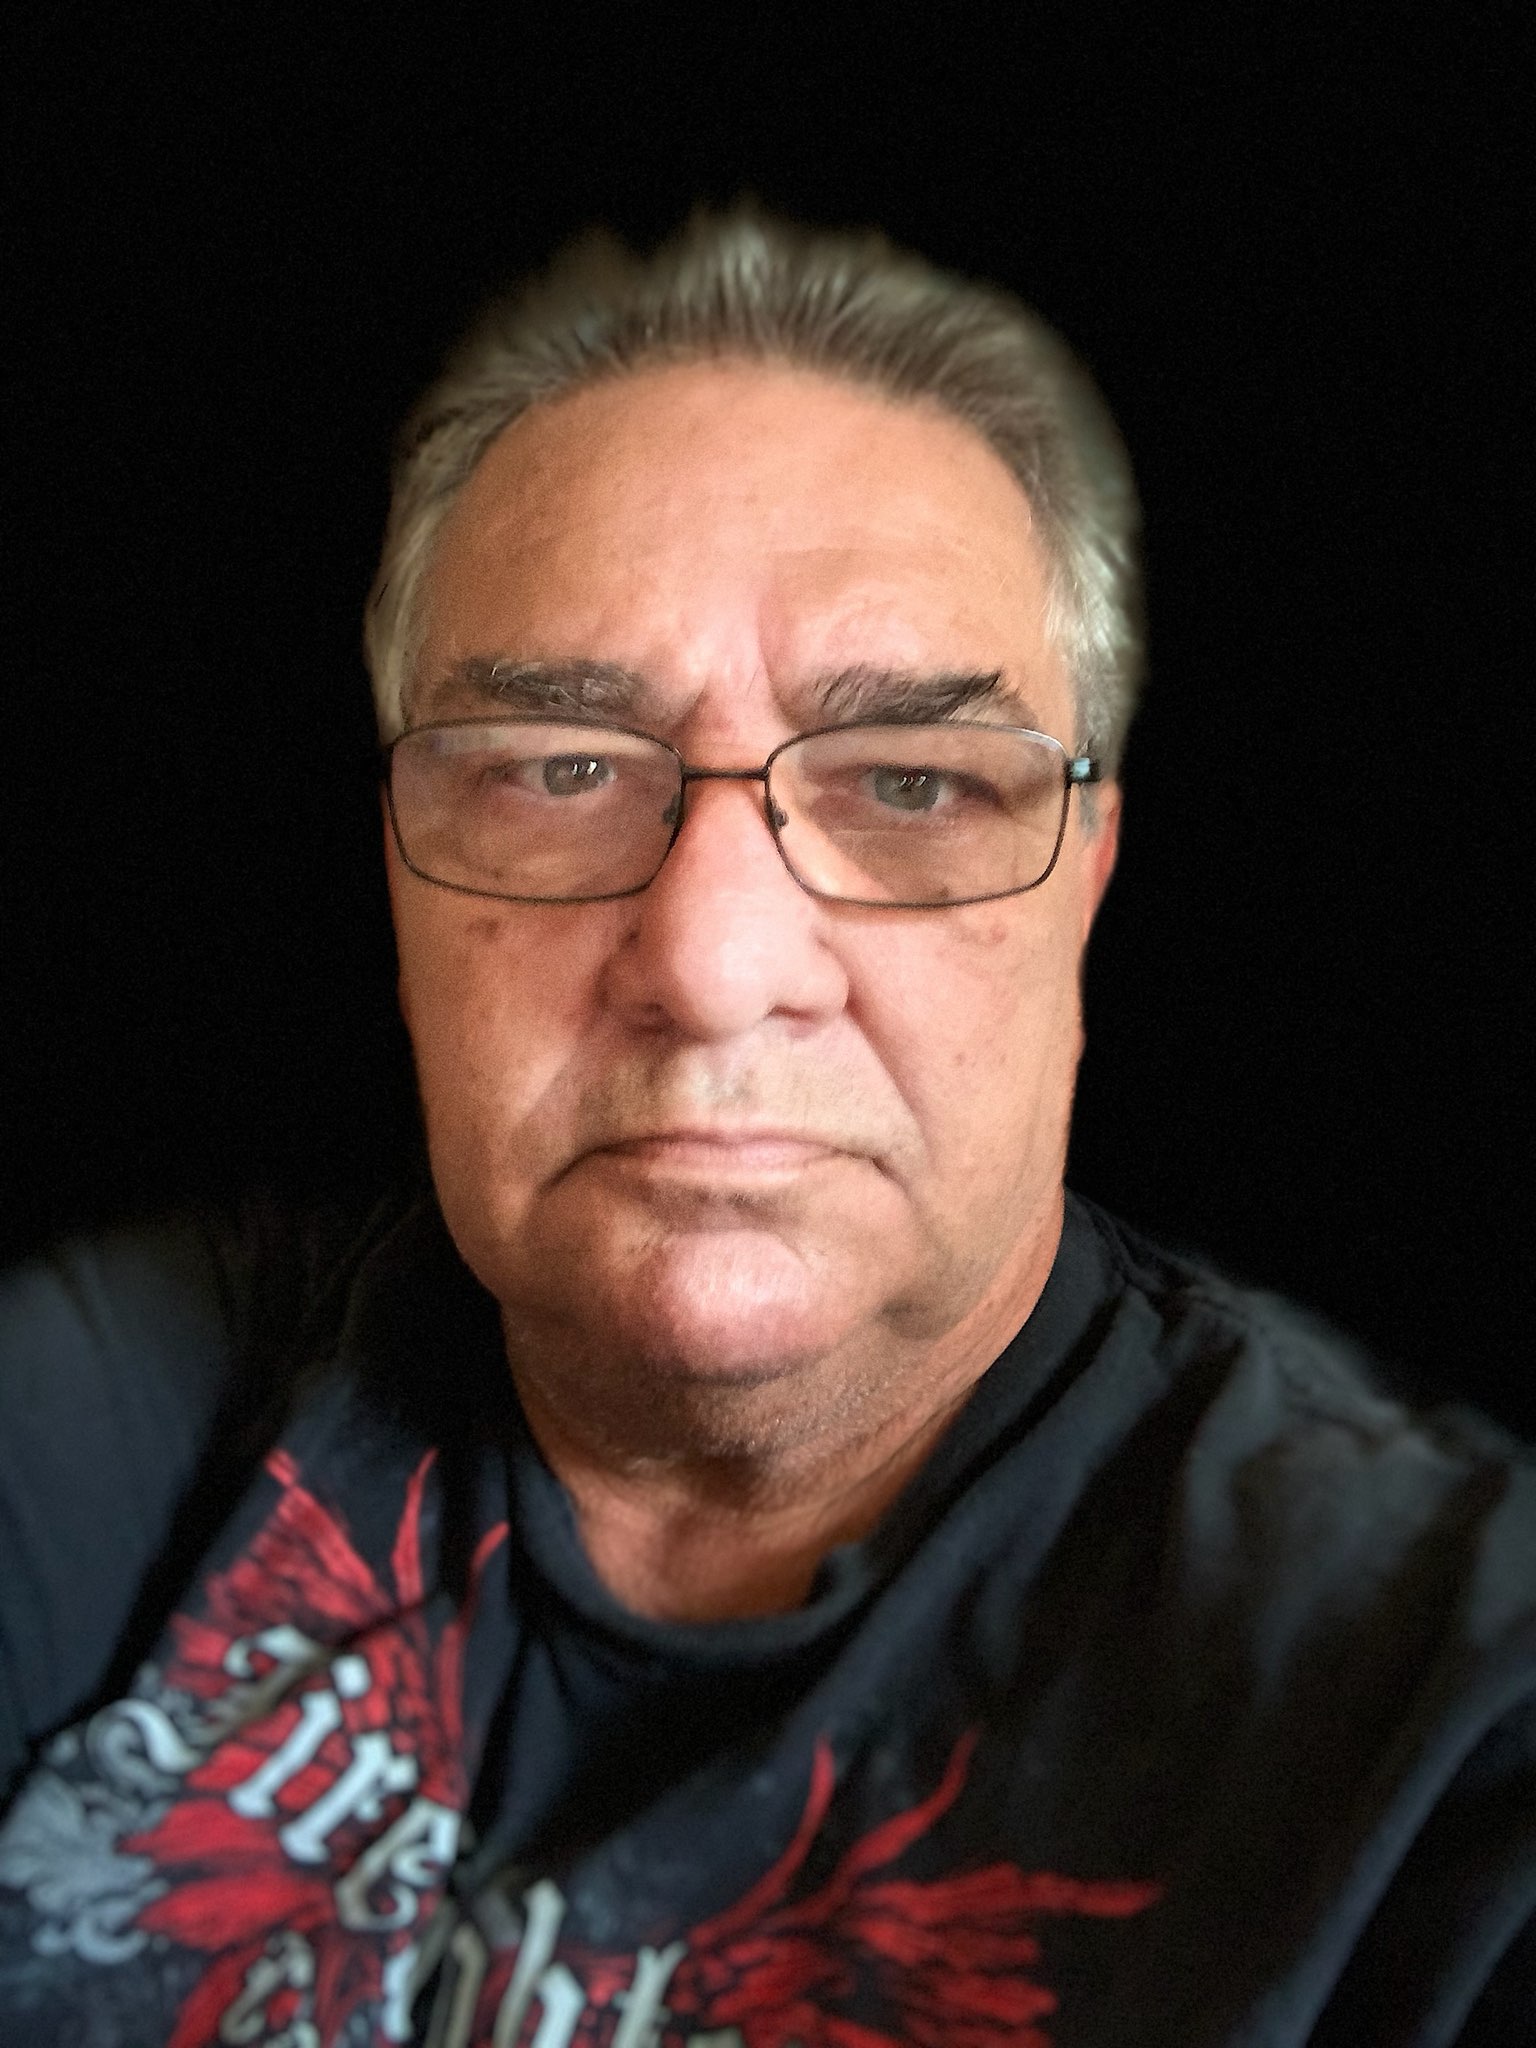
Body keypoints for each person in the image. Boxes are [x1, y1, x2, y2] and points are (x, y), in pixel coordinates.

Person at [1, 208, 1532, 2048]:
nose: (716, 968)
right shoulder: (121, 1409)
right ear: (400, 877)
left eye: (913, 785)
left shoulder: (1450, 1702)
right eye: (561, 771)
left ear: (1087, 881)